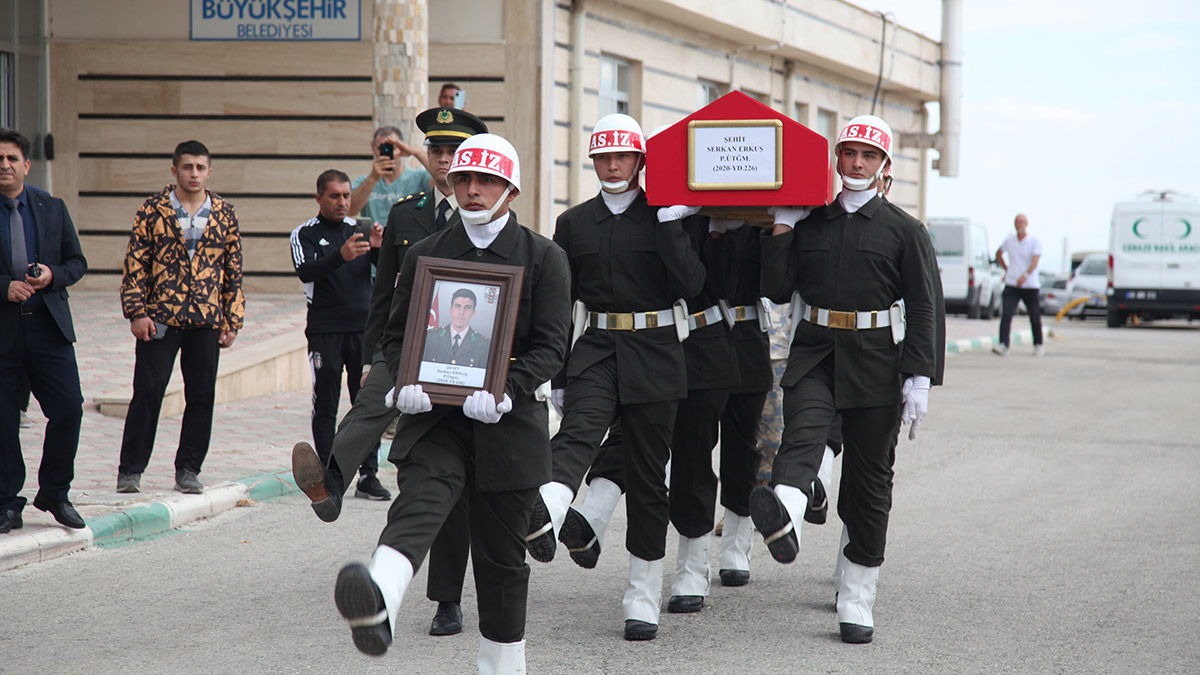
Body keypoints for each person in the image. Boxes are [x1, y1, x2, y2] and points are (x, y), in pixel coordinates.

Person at [330, 133, 570, 673]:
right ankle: (378, 601)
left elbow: (554, 345)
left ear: (509, 189)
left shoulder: (545, 256)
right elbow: (397, 335)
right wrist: (402, 382)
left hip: (507, 426)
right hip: (436, 418)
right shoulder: (425, 254)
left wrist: (505, 390)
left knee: (502, 564)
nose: (473, 189)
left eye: (486, 180)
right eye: (464, 179)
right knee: (419, 505)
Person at [290, 107, 489, 639]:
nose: (445, 160)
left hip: (469, 358)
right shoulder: (406, 211)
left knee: (452, 481)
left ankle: (448, 600)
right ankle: (331, 483)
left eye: (454, 152)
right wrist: (379, 350)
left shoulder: (489, 210)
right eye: (438, 151)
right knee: (373, 394)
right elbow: (388, 290)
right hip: (411, 346)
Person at [755, 114, 942, 644]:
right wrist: (783, 228)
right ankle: (784, 511)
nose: (856, 163)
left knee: (868, 482)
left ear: (884, 166)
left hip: (878, 362)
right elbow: (774, 287)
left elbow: (925, 307)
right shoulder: (811, 220)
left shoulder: (905, 231)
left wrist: (919, 378)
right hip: (815, 350)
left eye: (868, 155)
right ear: (836, 159)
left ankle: (858, 595)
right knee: (803, 435)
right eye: (848, 153)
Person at [524, 113, 706, 641]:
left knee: (649, 480)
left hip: (656, 351)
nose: (611, 165)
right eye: (602, 156)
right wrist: (556, 372)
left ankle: (642, 596)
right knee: (578, 431)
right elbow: (560, 305)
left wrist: (673, 225)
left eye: (621, 156)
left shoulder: (668, 214)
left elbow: (693, 284)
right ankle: (547, 510)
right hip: (597, 347)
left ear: (640, 160)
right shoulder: (574, 223)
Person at [117, 140, 244, 494]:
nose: (194, 174)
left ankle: (188, 469)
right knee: (148, 391)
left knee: (201, 395)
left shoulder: (223, 212)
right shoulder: (152, 210)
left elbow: (233, 270)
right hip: (160, 317)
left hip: (206, 318)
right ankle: (130, 470)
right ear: (174, 170)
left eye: (200, 167)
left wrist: (232, 319)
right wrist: (136, 311)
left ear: (209, 171)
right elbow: (135, 264)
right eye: (187, 167)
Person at [0, 127, 88, 533]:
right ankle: (6, 501)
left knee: (69, 407)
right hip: (3, 331)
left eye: (12, 159)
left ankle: (54, 491)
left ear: (26, 165)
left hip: (48, 329)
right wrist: (5, 286)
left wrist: (52, 275)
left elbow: (77, 263)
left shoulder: (52, 207)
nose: (5, 166)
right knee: (2, 420)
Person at [288, 169, 390, 501]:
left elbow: (383, 273)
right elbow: (306, 271)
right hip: (325, 330)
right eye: (334, 196)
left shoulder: (356, 230)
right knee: (327, 405)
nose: (342, 202)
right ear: (319, 198)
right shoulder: (304, 233)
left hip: (363, 331)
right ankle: (332, 476)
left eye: (346, 195)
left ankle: (368, 475)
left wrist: (377, 249)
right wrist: (339, 256)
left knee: (366, 404)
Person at [349, 126, 432, 226]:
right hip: (374, 240)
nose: (387, 153)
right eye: (381, 148)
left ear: (401, 148)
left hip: (407, 239)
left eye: (393, 147)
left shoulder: (419, 177)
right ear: (373, 148)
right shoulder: (363, 181)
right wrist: (373, 178)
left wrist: (416, 152)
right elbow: (350, 211)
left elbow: (443, 181)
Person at [994, 213, 1044, 357]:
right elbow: (998, 253)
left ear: (1026, 224)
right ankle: (1003, 345)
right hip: (1012, 284)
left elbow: (1035, 262)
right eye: (1017, 222)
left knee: (1034, 316)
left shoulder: (1034, 241)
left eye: (1022, 222)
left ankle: (1038, 344)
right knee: (1007, 315)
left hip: (1030, 285)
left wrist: (1025, 275)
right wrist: (1006, 268)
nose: (1019, 224)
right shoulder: (1009, 240)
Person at [422, 288, 491, 368]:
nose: (461, 312)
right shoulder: (431, 337)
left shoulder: (483, 345)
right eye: (457, 306)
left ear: (473, 313)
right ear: (451, 310)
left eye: (467, 308)